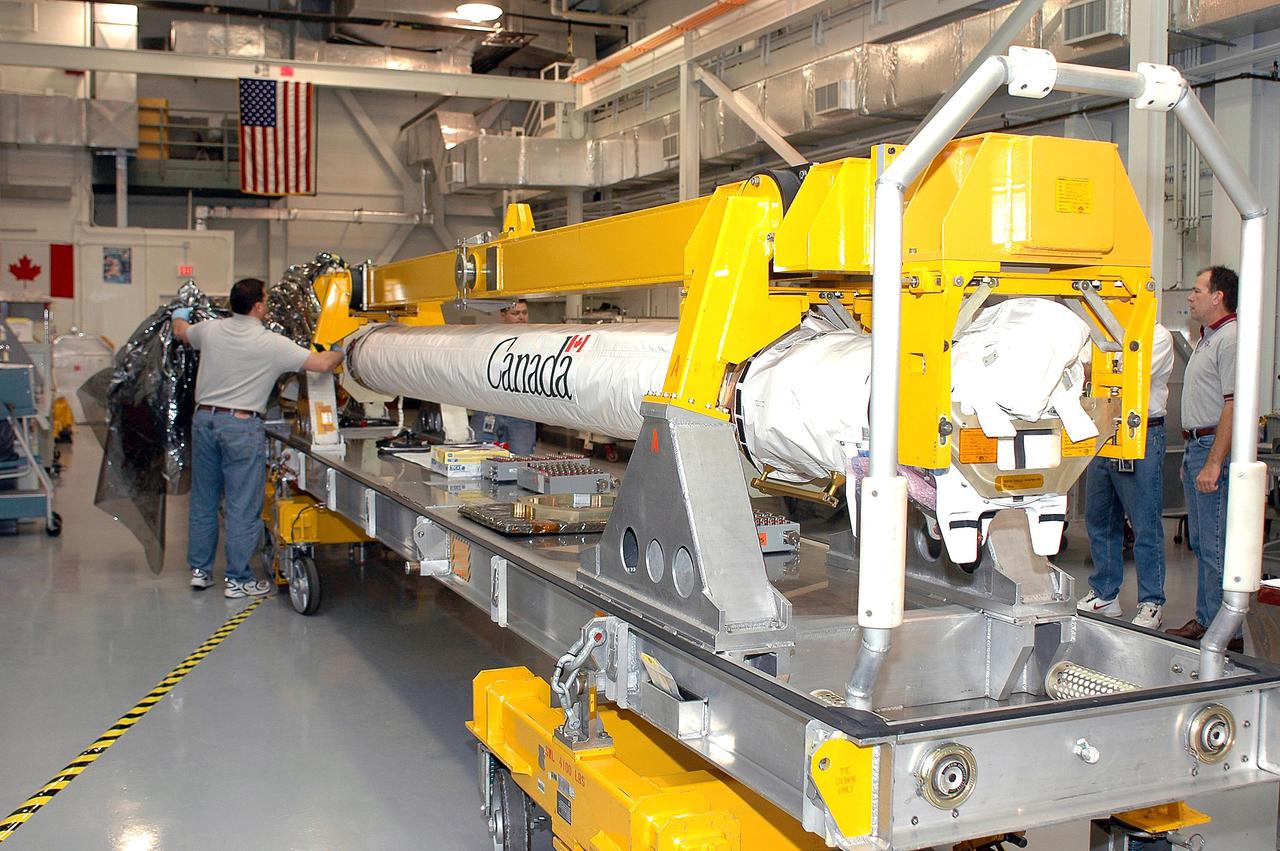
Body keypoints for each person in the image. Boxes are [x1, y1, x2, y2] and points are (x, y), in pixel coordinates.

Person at [173, 278, 343, 598]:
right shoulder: (272, 344)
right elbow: (320, 365)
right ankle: (237, 579)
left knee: (204, 500)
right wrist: (341, 349)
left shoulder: (210, 330)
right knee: (241, 504)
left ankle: (200, 571)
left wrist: (178, 312)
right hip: (240, 427)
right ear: (259, 306)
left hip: (204, 421)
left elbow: (181, 331)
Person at [1077, 323, 1174, 629]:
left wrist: (1092, 369)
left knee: (1144, 523)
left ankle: (1151, 601)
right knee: (1100, 517)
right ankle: (1105, 593)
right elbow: (1085, 368)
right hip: (1105, 431)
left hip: (1141, 433)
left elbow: (1131, 374)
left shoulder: (1157, 336)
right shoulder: (1103, 333)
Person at [1167, 265, 1243, 653]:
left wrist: (1214, 461)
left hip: (1213, 448)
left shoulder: (1230, 339)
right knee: (1200, 541)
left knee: (1213, 544)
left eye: (1198, 290)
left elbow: (1233, 405)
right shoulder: (1208, 338)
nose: (1190, 296)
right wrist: (1193, 458)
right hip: (1197, 447)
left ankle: (1223, 631)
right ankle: (1206, 618)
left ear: (1218, 296)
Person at [471, 299, 537, 456]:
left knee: (521, 458)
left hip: (521, 411)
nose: (521, 317)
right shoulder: (490, 340)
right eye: (515, 313)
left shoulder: (536, 342)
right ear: (503, 314)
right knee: (480, 455)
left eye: (524, 313)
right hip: (489, 408)